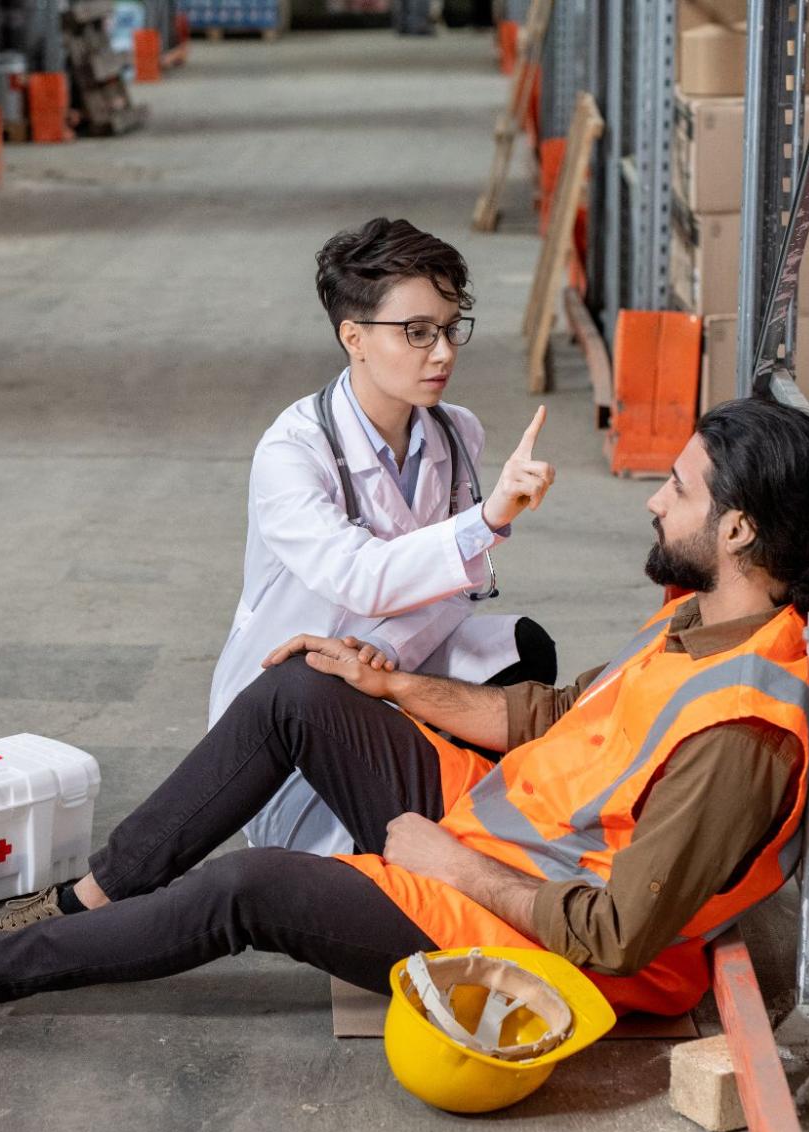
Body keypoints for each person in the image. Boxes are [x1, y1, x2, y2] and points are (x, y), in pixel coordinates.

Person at [0, 396, 809, 1035]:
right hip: (494, 828)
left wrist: (446, 865)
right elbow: (547, 713)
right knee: (297, 690)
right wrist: (391, 688)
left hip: (532, 934)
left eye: (674, 490)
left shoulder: (740, 730)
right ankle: (86, 898)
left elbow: (619, 938)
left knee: (251, 886)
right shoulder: (694, 620)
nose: (650, 500)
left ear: (734, 527)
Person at [212, 218, 558, 856]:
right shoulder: (294, 452)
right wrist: (485, 521)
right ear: (354, 337)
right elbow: (361, 578)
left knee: (520, 650)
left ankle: (461, 813)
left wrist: (385, 657)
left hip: (392, 661)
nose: (444, 352)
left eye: (451, 329)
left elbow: (458, 589)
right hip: (294, 698)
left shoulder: (455, 435)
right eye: (417, 332)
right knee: (355, 852)